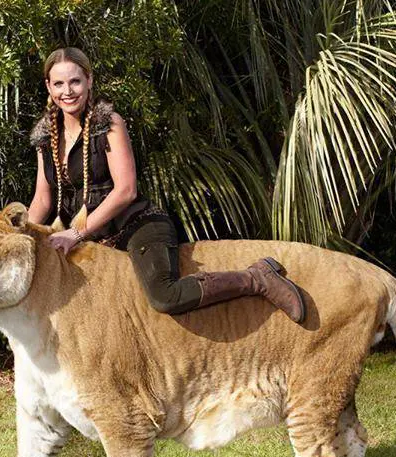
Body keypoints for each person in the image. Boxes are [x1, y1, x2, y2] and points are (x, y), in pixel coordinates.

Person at [28, 47, 305, 322]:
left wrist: (76, 233)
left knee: (164, 296)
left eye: (75, 81)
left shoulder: (108, 123)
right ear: (48, 87)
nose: (68, 91)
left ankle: (256, 278)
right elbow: (43, 200)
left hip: (136, 225)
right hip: (92, 238)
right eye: (59, 83)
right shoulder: (46, 137)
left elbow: (126, 190)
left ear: (89, 80)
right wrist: (13, 234)